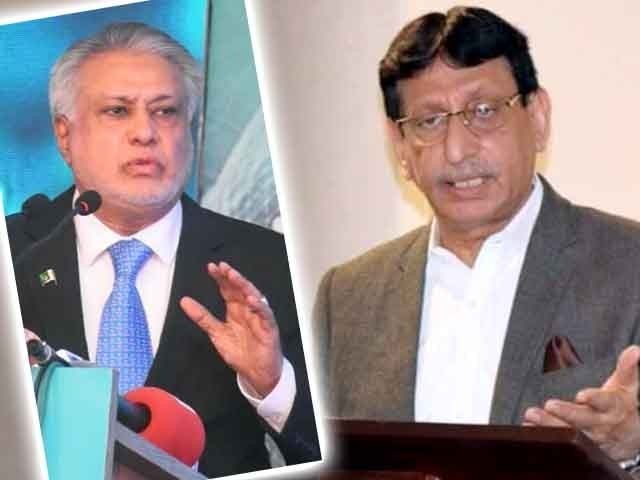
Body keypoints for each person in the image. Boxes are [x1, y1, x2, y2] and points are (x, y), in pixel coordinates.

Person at [314, 5, 640, 471]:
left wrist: (632, 448)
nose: (457, 149)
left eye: (484, 112)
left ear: (538, 117)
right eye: (429, 121)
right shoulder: (347, 298)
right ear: (401, 147)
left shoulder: (629, 266)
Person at [7, 22, 319, 477]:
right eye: (117, 111)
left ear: (189, 129)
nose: (145, 133)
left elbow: (327, 457)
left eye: (165, 111)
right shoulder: (15, 255)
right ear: (64, 134)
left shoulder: (269, 264)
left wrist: (272, 385)